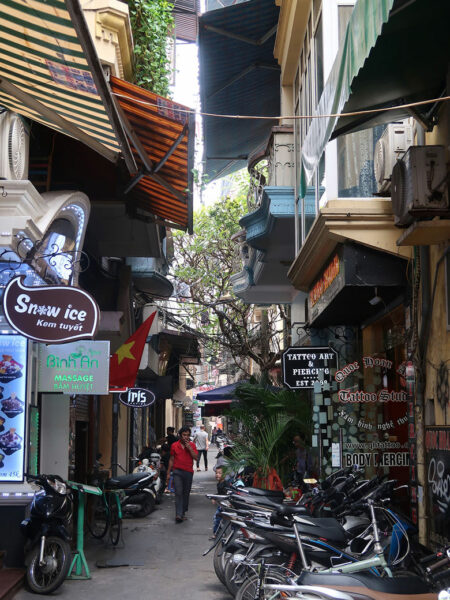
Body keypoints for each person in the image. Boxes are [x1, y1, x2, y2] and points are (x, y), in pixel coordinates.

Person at [166, 426, 198, 522]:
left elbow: (196, 458)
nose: (186, 437)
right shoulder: (174, 445)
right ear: (180, 435)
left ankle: (183, 512)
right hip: (177, 471)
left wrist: (189, 448)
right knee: (178, 492)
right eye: (184, 435)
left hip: (188, 472)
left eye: (188, 435)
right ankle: (178, 515)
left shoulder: (192, 445)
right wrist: (168, 473)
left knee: (186, 493)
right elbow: (171, 459)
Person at [210, 465, 227, 539]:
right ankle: (218, 533)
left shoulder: (225, 484)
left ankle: (216, 533)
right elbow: (220, 494)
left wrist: (215, 497)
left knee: (217, 518)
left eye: (220, 473)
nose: (217, 475)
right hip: (222, 504)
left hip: (225, 505)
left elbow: (224, 495)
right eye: (216, 473)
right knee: (218, 518)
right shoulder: (219, 484)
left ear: (225, 474)